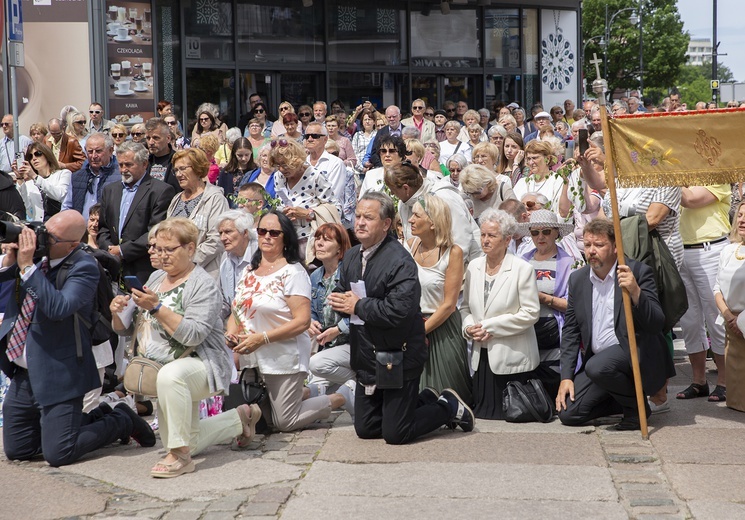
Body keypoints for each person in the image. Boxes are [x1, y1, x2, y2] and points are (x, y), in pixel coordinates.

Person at [1, 210, 155, 467]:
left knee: (58, 453)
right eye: (43, 231)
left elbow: (58, 307)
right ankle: (98, 414)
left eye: (49, 238)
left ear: (72, 244)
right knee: (19, 448)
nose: (41, 240)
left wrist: (27, 267)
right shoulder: (41, 257)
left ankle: (120, 421)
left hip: (58, 371)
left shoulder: (84, 266)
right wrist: (11, 259)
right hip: (24, 372)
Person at [329, 192, 474, 443]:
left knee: (396, 434)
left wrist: (359, 305)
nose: (360, 222)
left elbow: (399, 310)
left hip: (397, 355)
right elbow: (344, 291)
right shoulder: (352, 255)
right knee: (366, 429)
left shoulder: (400, 260)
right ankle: (426, 399)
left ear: (386, 224)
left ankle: (448, 408)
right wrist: (340, 302)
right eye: (358, 216)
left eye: (369, 218)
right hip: (366, 353)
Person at [111, 217, 251, 478]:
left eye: (168, 249)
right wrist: (118, 312)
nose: (161, 256)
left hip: (201, 365)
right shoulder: (155, 278)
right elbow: (126, 330)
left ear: (189, 249)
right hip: (160, 369)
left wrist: (156, 307)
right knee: (191, 438)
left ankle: (180, 456)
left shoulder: (204, 284)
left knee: (172, 378)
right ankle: (240, 418)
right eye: (157, 249)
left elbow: (194, 335)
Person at [227, 211, 351, 432]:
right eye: (262, 231)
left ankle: (340, 397)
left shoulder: (293, 273)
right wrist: (231, 334)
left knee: (285, 422)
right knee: (268, 423)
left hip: (283, 356)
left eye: (274, 233)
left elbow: (302, 322)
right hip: (253, 356)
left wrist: (263, 338)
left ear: (286, 238)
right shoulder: (248, 271)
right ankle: (303, 394)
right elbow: (236, 310)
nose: (266, 236)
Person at [556, 218, 674, 431]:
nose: (591, 250)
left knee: (598, 366)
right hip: (600, 363)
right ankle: (625, 402)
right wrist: (566, 377)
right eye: (587, 244)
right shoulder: (578, 280)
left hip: (634, 353)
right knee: (569, 414)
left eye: (599, 245)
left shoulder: (636, 272)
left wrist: (636, 292)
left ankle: (636, 411)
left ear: (616, 247)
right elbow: (571, 331)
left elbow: (656, 324)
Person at [461, 208, 540, 419]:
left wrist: (491, 327)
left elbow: (531, 313)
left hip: (511, 357)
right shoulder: (473, 267)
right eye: (483, 234)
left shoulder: (522, 269)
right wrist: (469, 328)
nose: (485, 240)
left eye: (492, 236)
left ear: (506, 240)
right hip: (482, 356)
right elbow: (465, 307)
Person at [408, 194, 472, 402]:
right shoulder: (409, 246)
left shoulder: (453, 252)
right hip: (413, 325)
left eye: (417, 215)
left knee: (448, 395)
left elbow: (449, 305)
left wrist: (419, 332)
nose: (410, 220)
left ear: (433, 222)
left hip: (443, 329)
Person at [677, 185, 730, 402]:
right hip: (682, 249)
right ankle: (698, 381)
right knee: (689, 321)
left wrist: (663, 172)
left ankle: (726, 381)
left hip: (711, 249)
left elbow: (690, 199)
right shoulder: (682, 175)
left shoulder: (718, 174)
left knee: (715, 317)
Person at [96, 141, 175, 283]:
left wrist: (122, 251)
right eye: (120, 165)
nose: (123, 170)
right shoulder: (110, 190)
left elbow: (155, 232)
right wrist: (109, 250)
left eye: (128, 165)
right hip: (112, 270)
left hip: (142, 269)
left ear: (144, 164)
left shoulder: (160, 191)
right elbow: (103, 227)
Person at [519, 210, 575, 398]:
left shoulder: (569, 262)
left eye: (546, 232)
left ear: (556, 233)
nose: (540, 237)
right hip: (526, 331)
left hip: (554, 332)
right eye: (535, 232)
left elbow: (573, 305)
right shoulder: (522, 260)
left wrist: (543, 298)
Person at [385, 161, 481, 261]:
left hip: (464, 261)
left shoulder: (443, 197)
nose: (391, 193)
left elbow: (461, 238)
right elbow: (410, 240)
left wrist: (450, 269)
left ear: (406, 188)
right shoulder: (403, 204)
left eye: (393, 189)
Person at [307, 223, 355, 396]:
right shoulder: (315, 275)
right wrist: (311, 322)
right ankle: (351, 387)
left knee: (316, 364)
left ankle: (363, 381)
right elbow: (312, 310)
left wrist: (338, 329)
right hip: (328, 348)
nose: (319, 243)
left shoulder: (350, 272)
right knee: (312, 395)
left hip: (353, 344)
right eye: (317, 238)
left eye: (326, 240)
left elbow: (361, 312)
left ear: (340, 248)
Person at [166, 148, 229, 279]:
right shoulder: (176, 199)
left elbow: (216, 240)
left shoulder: (215, 198)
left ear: (197, 168)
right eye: (176, 170)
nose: (178, 174)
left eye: (183, 168)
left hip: (204, 275)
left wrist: (186, 261)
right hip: (175, 272)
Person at [271, 138, 340, 254]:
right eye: (278, 165)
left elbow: (336, 210)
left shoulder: (315, 176)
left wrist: (308, 214)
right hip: (285, 239)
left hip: (311, 241)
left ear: (296, 161)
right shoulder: (278, 176)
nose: (281, 169)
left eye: (285, 165)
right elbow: (278, 203)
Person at [714, 201, 745, 412]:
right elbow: (716, 287)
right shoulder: (728, 250)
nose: (742, 220)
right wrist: (727, 315)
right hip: (730, 321)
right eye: (741, 215)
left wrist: (741, 319)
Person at [62, 133, 121, 220]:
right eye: (90, 152)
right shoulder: (76, 177)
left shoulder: (120, 177)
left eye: (98, 151)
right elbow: (67, 208)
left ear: (110, 151)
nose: (94, 156)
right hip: (82, 231)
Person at [217, 209, 257, 320]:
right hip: (235, 322)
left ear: (245, 232)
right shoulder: (226, 257)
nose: (223, 238)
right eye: (220, 233)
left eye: (228, 232)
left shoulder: (262, 255)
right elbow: (224, 301)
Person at [17, 142, 71, 221]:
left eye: (38, 154)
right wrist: (20, 179)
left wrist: (35, 177)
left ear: (47, 154)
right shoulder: (29, 184)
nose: (34, 158)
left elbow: (59, 195)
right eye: (30, 156)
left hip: (59, 223)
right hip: (38, 227)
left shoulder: (63, 174)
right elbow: (29, 212)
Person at [513, 140, 565, 212]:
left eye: (535, 158)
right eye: (528, 159)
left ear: (547, 159)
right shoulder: (522, 183)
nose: (531, 162)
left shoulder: (557, 181)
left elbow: (560, 211)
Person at [304, 122, 347, 203]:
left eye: (314, 136)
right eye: (307, 136)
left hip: (326, 212)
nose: (309, 139)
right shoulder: (302, 163)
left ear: (325, 139)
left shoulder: (336, 164)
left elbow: (333, 195)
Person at [217, 137, 256, 206]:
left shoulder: (256, 171)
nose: (244, 158)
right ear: (234, 154)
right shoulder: (226, 172)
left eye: (247, 155)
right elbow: (220, 194)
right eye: (240, 155)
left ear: (251, 152)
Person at [145, 117, 180, 192]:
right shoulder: (144, 162)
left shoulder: (179, 161)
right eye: (148, 138)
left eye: (155, 138)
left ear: (168, 138)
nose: (151, 142)